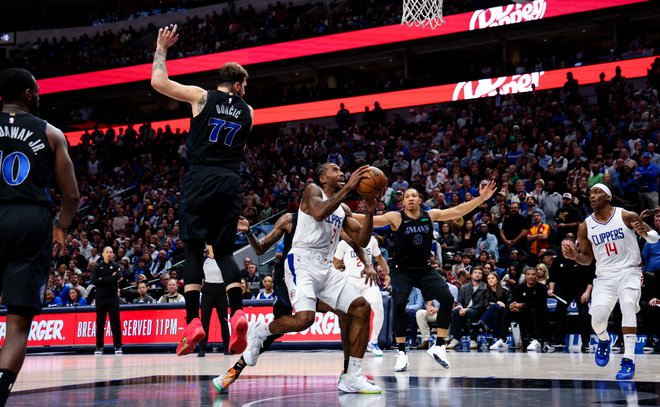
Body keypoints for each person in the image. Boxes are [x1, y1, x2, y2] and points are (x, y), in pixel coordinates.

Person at [151, 24, 253, 356]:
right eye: (244, 87)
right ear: (237, 86)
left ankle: (193, 321)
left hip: (200, 178)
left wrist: (162, 50)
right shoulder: (248, 112)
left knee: (194, 251)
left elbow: (158, 83)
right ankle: (238, 311)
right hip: (230, 180)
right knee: (223, 252)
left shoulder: (202, 96)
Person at [240, 163, 383, 394]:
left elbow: (362, 240)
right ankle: (260, 329)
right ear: (323, 178)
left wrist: (369, 211)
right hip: (301, 262)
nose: (341, 173)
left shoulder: (343, 209)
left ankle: (352, 377)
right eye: (334, 170)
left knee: (361, 308)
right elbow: (318, 212)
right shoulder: (312, 191)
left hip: (326, 267)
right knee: (305, 319)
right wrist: (348, 187)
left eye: (341, 171)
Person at [354, 181, 497, 372]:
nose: (410, 199)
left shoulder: (430, 216)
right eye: (407, 197)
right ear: (402, 202)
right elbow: (366, 220)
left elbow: (458, 211)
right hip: (401, 269)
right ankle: (402, 352)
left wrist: (481, 199)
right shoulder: (395, 217)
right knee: (399, 303)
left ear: (420, 200)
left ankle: (438, 346)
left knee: (447, 298)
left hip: (424, 269)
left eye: (414, 196)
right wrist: (338, 212)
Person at [562, 183, 658, 380]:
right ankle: (605, 341)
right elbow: (587, 259)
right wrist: (574, 257)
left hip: (629, 271)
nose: (593, 196)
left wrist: (645, 233)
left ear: (608, 197)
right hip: (604, 277)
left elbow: (655, 238)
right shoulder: (585, 226)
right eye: (590, 193)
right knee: (596, 319)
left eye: (597, 192)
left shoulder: (626, 216)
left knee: (628, 305)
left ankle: (628, 360)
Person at [334, 235, 390, 356]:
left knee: (379, 309)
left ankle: (373, 342)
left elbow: (379, 257)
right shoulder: (344, 243)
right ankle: (350, 343)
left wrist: (387, 273)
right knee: (348, 314)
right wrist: (339, 271)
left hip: (368, 279)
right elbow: (336, 261)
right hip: (350, 281)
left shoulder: (372, 240)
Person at [547, 234, 594, 352]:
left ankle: (585, 342)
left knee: (584, 314)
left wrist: (587, 293)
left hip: (580, 290)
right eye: (563, 245)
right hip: (563, 290)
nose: (565, 247)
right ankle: (559, 340)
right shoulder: (557, 260)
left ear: (574, 246)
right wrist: (551, 289)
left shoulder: (582, 258)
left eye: (567, 245)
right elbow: (552, 277)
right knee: (559, 312)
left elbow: (591, 278)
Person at [489, 267, 548, 352]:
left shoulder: (542, 288)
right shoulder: (520, 287)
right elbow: (513, 300)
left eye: (533, 274)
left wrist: (522, 305)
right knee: (508, 310)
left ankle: (536, 340)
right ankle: (502, 340)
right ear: (525, 276)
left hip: (539, 314)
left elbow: (539, 303)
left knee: (534, 310)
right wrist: (512, 306)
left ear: (536, 276)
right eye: (528, 274)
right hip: (523, 314)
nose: (531, 276)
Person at [198, 246, 229, 357]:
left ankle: (227, 347)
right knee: (205, 320)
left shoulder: (224, 258)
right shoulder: (204, 260)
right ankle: (202, 348)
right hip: (208, 290)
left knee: (224, 320)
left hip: (221, 289)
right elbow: (198, 275)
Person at [92, 247, 123, 355]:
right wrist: (110, 278)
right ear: (103, 254)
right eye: (107, 252)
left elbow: (118, 277)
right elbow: (94, 280)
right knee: (100, 323)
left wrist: (103, 279)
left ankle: (118, 346)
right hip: (100, 298)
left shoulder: (116, 266)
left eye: (111, 252)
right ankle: (99, 347)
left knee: (115, 322)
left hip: (112, 297)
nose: (109, 254)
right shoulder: (98, 267)